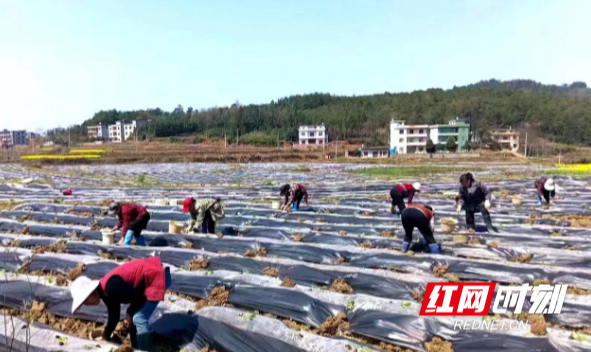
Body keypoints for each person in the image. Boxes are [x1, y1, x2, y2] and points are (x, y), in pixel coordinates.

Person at [69, 257, 172, 351]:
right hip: (149, 281)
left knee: (139, 318)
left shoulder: (111, 287)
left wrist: (130, 313)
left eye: (86, 301)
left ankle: (145, 349)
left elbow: (140, 296)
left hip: (157, 277)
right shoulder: (105, 292)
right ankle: (136, 346)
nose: (87, 305)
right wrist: (106, 336)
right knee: (134, 316)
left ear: (90, 293)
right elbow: (114, 316)